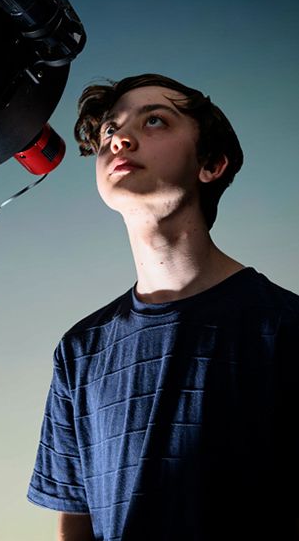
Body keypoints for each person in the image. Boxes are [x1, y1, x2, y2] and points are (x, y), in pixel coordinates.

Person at [27, 74, 299, 540]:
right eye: (110, 129)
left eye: (155, 120)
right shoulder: (78, 352)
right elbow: (77, 519)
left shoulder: (284, 327)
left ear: (211, 164)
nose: (120, 138)